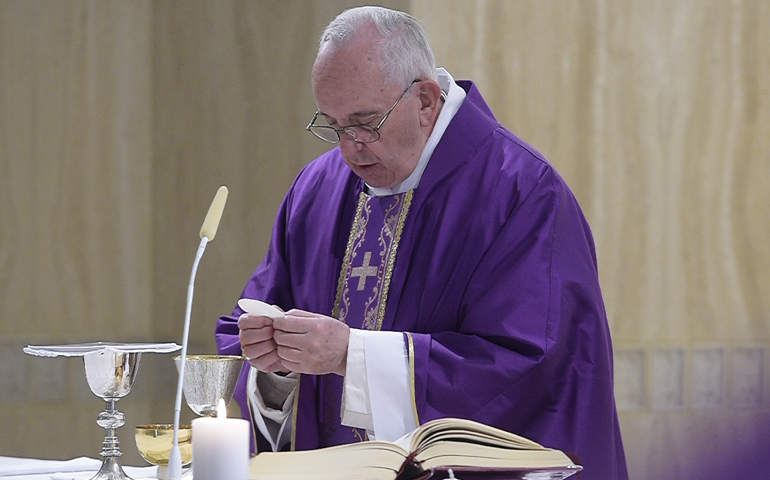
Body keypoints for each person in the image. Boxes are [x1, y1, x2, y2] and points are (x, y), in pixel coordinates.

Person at [215, 6, 628, 480]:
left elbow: (532, 370)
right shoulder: (317, 191)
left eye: (366, 122)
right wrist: (275, 359)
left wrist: (352, 355)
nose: (349, 148)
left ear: (427, 101)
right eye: (332, 125)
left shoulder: (520, 193)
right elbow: (256, 321)